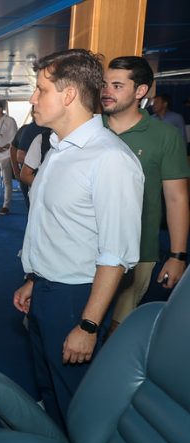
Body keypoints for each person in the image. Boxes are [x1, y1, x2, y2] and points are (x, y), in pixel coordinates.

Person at [13, 49, 144, 428]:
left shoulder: (109, 160)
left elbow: (115, 255)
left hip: (77, 298)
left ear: (68, 95)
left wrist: (88, 326)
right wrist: (34, 278)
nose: (34, 100)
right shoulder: (58, 150)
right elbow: (56, 226)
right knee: (50, 392)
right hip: (47, 291)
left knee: (78, 406)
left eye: (40, 90)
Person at [101, 56, 190, 334]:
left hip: (138, 252)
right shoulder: (90, 128)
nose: (106, 91)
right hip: (85, 249)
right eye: (104, 84)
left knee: (117, 335)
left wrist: (177, 255)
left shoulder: (165, 136)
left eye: (117, 86)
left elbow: (177, 198)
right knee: (78, 330)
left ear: (140, 92)